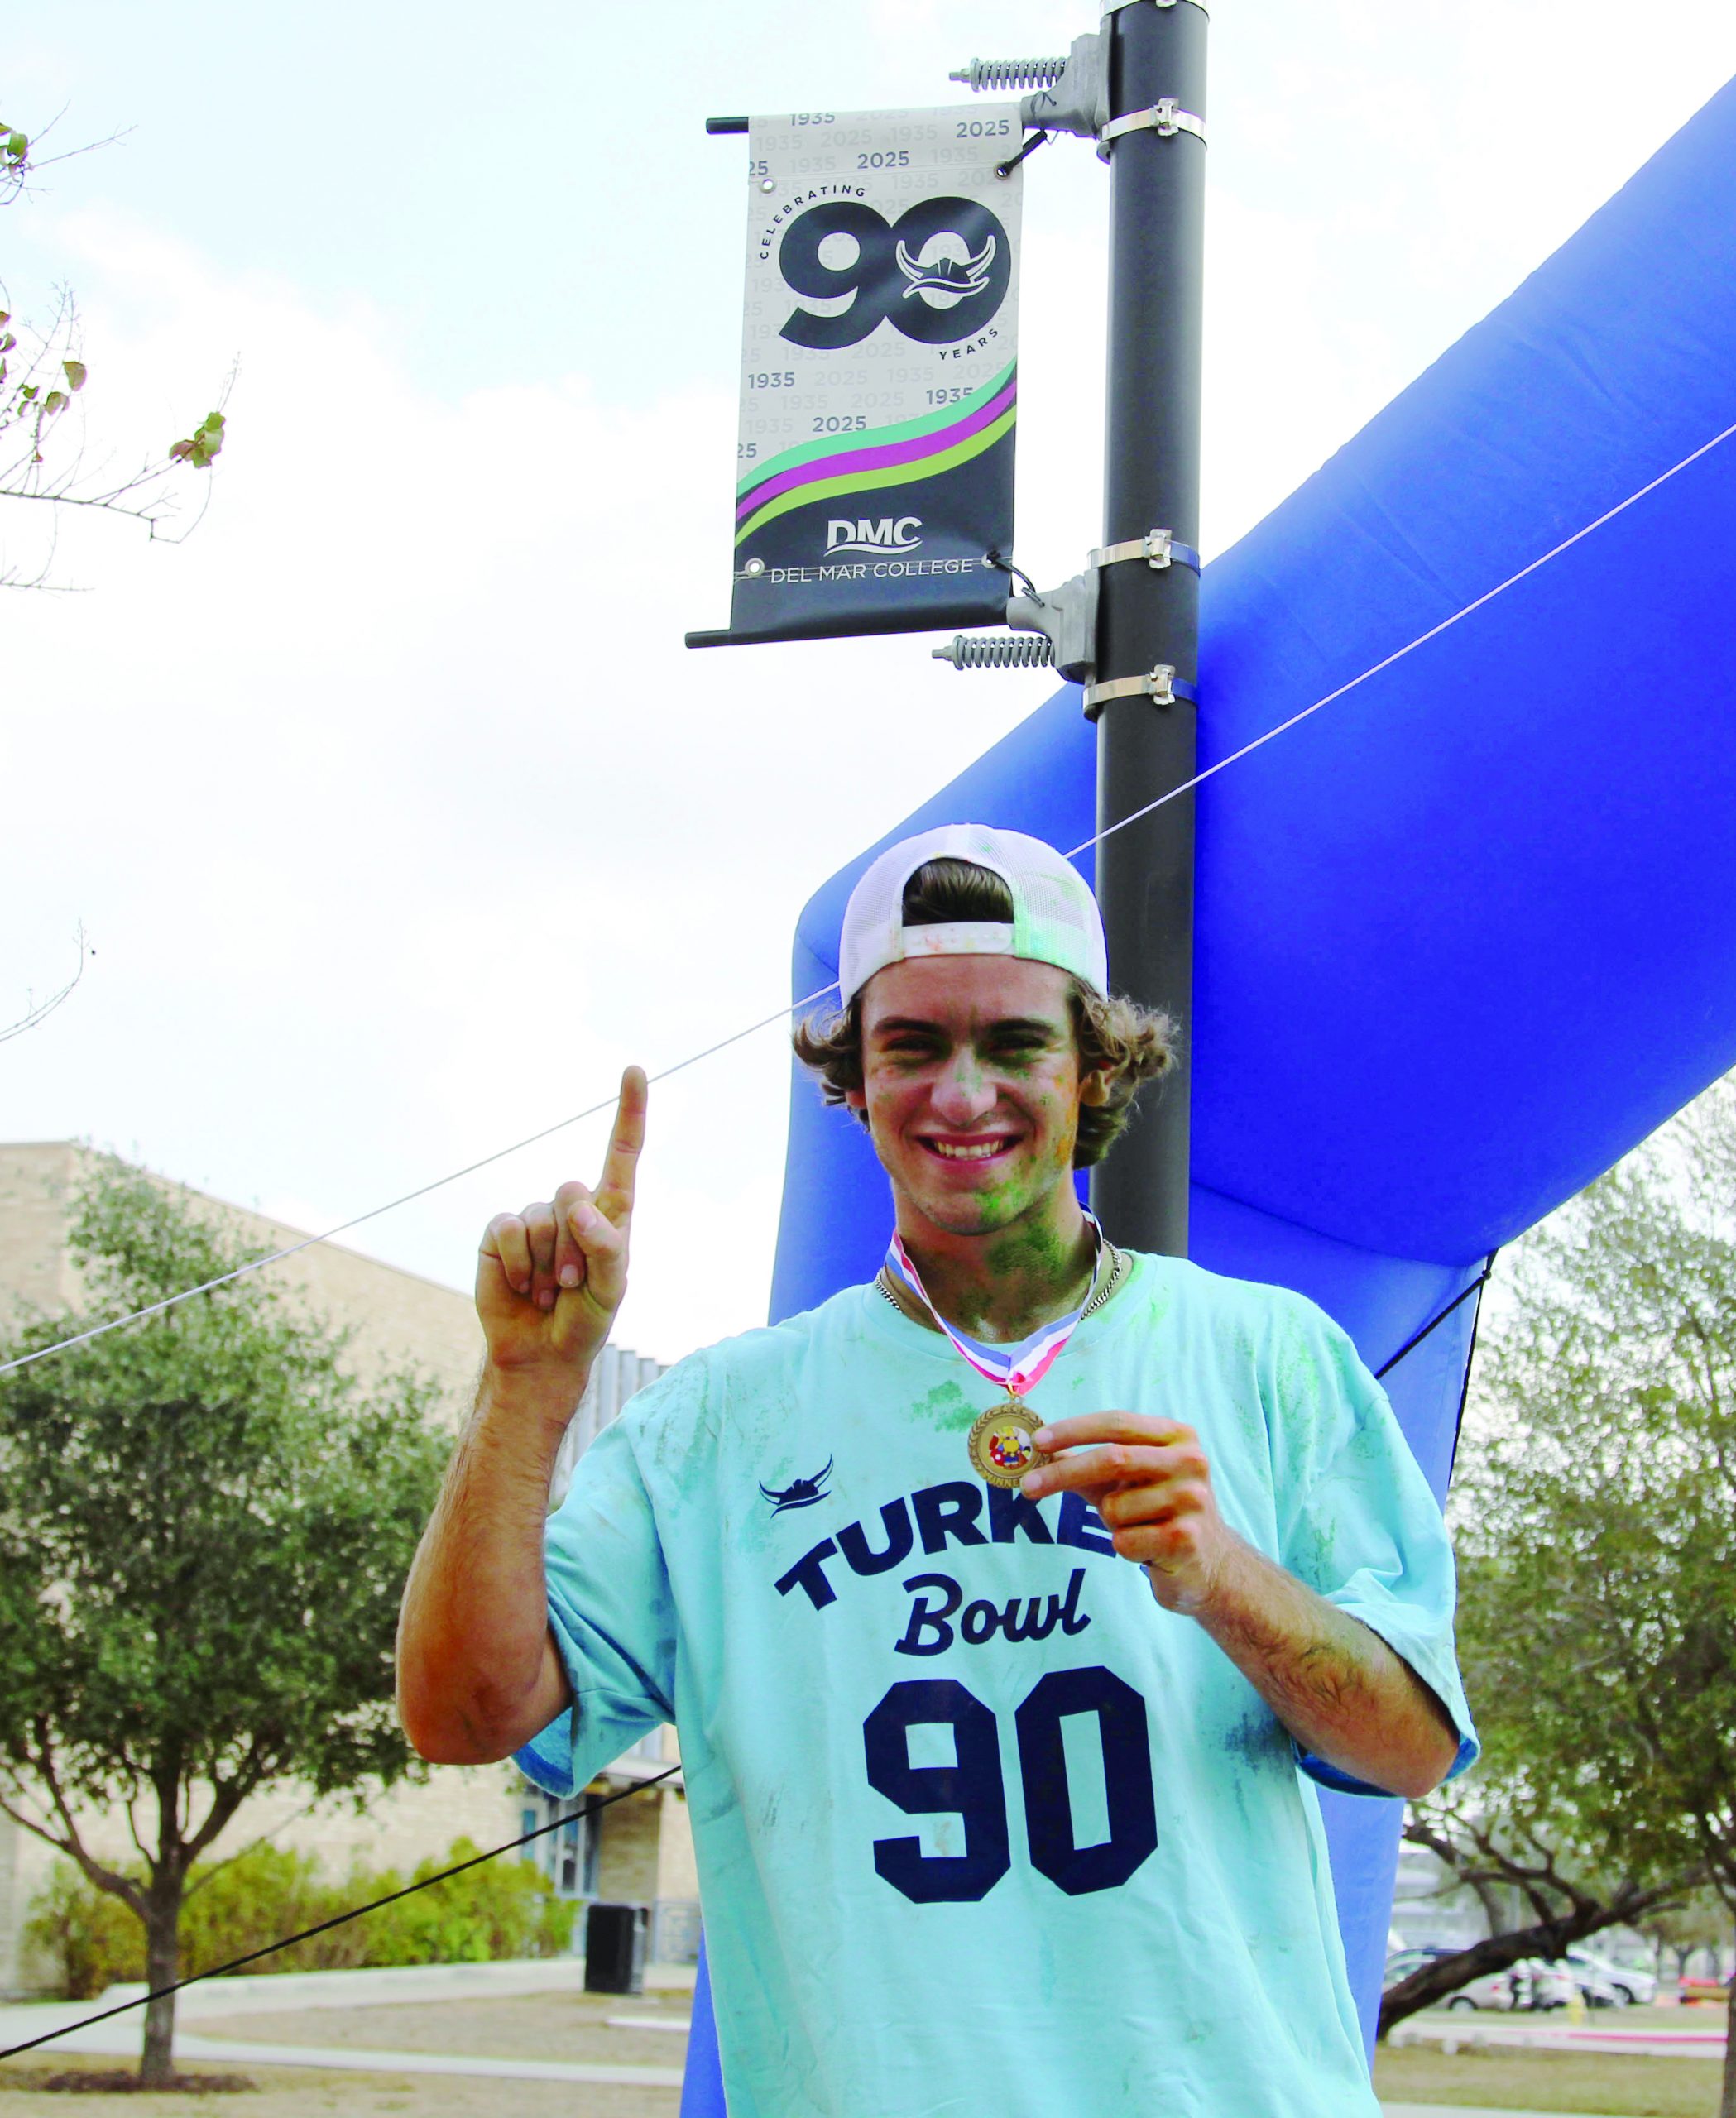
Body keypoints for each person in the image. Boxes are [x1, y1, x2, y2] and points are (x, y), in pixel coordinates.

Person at [396, 822, 1477, 2118]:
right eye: (910, 1047)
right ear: (852, 1081)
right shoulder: (717, 1423)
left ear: (1093, 1068)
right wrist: (529, 1388)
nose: (961, 1094)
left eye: (1014, 1042)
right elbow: (462, 1716)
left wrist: (1226, 1578)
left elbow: (1411, 1750)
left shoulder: (1268, 1355)